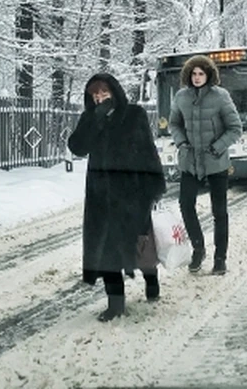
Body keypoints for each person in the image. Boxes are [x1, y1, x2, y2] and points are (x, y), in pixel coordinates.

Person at [68, 73, 166, 322]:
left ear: (114, 91)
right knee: (106, 250)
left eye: (103, 92)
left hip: (133, 194)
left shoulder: (134, 115)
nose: (99, 98)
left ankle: (151, 279)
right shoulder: (90, 117)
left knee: (139, 245)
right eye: (95, 95)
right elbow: (77, 147)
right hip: (101, 196)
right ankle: (115, 304)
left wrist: (154, 187)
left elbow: (148, 150)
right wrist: (94, 121)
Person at [169, 55, 243, 275]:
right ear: (188, 75)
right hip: (189, 161)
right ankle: (198, 249)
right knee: (185, 204)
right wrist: (181, 143)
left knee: (219, 211)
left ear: (209, 75)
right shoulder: (181, 97)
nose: (197, 77)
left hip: (216, 161)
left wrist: (217, 147)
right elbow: (174, 123)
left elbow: (235, 127)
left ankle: (220, 258)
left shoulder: (221, 96)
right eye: (194, 73)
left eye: (201, 73)